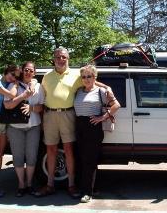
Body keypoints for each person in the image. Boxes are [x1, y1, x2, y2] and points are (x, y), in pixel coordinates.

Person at [36, 47, 109, 198]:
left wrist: (107, 87)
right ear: (53, 59)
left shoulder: (77, 75)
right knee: (50, 150)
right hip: (49, 114)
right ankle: (49, 185)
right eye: (57, 57)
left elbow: (91, 82)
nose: (60, 59)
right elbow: (41, 97)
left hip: (68, 114)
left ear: (68, 58)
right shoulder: (46, 77)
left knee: (69, 150)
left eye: (63, 57)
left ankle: (71, 185)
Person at [74, 65, 120, 203]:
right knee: (81, 160)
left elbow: (116, 105)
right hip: (79, 126)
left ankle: (87, 192)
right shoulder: (78, 91)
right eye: (84, 77)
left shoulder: (101, 92)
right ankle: (87, 188)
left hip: (93, 128)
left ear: (95, 77)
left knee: (90, 161)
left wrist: (103, 117)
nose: (86, 79)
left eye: (89, 76)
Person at [4, 62, 45, 197]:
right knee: (18, 157)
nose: (28, 72)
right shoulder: (13, 85)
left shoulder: (39, 87)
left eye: (31, 70)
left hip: (33, 126)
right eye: (26, 70)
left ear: (34, 73)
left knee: (32, 156)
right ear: (22, 71)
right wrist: (23, 96)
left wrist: (31, 108)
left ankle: (29, 184)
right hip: (15, 127)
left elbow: (42, 107)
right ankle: (21, 184)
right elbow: (7, 105)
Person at [0, 65, 24, 198]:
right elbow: (11, 95)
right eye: (12, 74)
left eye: (16, 76)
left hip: (4, 120)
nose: (13, 78)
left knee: (0, 154)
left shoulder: (8, 83)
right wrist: (16, 85)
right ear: (6, 72)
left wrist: (15, 83)